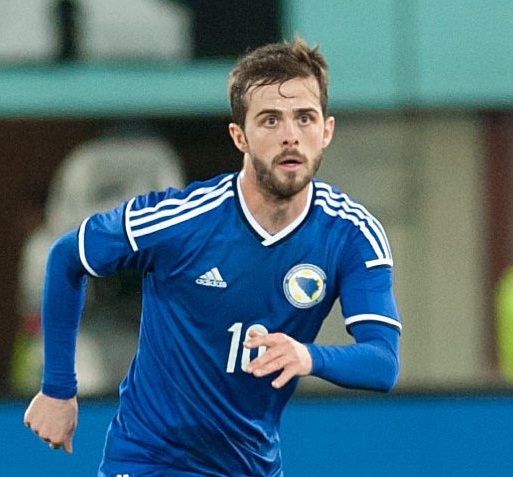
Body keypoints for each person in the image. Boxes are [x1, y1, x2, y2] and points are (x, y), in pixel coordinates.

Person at [24, 36, 401, 476]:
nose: (290, 136)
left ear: (327, 131)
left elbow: (382, 362)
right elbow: (68, 256)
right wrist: (57, 389)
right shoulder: (183, 220)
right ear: (240, 136)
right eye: (270, 120)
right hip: (150, 459)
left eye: (305, 118)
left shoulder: (352, 235)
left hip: (249, 464)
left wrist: (308, 356)